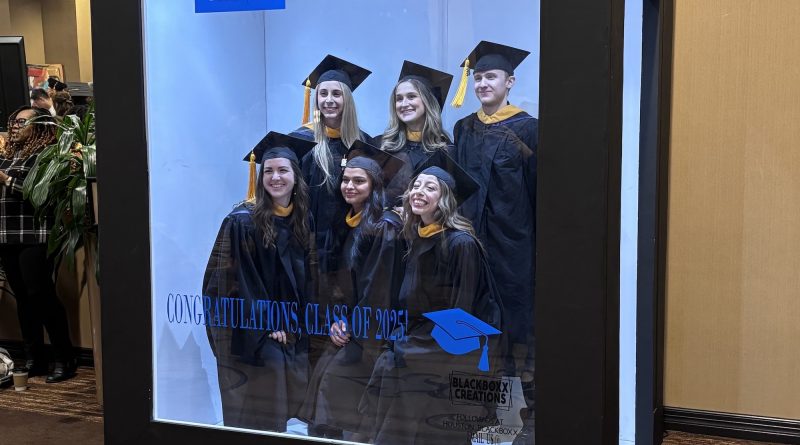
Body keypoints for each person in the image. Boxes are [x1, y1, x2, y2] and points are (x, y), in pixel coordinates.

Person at [358, 156, 504, 445]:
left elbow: (460, 319)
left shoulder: (460, 244)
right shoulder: (418, 238)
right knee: (387, 363)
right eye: (416, 186)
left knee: (397, 369)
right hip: (423, 341)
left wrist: (411, 349)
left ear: (446, 200)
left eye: (430, 188)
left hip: (450, 351)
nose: (419, 192)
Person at [203, 132, 316, 431]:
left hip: (287, 325)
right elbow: (236, 281)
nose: (275, 177)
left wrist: (294, 321)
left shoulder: (301, 219)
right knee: (268, 385)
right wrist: (270, 322)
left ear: (296, 176)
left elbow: (304, 279)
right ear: (259, 175)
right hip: (249, 328)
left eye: (283, 170)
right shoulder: (242, 221)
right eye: (268, 171)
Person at [299, 141, 406, 441]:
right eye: (346, 180)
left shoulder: (384, 226)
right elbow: (337, 284)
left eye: (359, 181)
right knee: (324, 390)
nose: (349, 186)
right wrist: (336, 319)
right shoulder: (345, 223)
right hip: (350, 326)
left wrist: (353, 326)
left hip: (371, 332)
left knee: (335, 389)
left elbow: (378, 288)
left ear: (374, 186)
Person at [451, 41, 537, 384]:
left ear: (510, 82)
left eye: (491, 77)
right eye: (478, 78)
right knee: (476, 317)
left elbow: (536, 190)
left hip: (513, 243)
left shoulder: (529, 128)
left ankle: (526, 407)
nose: (483, 84)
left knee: (518, 320)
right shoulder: (463, 129)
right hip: (472, 239)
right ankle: (480, 405)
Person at [289, 55, 372, 367]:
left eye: (337, 93)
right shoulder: (302, 141)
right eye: (323, 93)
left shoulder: (362, 143)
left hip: (347, 246)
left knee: (341, 314)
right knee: (310, 311)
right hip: (308, 244)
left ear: (347, 99)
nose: (329, 100)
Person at [0, 106, 76, 383]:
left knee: (40, 295)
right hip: (7, 235)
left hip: (35, 234)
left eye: (23, 122)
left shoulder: (46, 156)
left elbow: (40, 194)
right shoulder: (8, 155)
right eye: (14, 121)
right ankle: (35, 359)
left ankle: (64, 358)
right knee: (22, 298)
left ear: (40, 126)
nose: (16, 126)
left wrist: (6, 179)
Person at [378, 61, 453, 206]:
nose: (404, 103)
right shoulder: (382, 145)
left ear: (427, 101)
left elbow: (450, 201)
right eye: (399, 99)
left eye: (411, 96)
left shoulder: (445, 151)